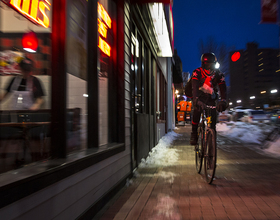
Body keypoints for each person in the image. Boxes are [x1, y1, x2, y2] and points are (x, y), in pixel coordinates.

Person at [188, 53, 227, 145]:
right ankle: (194, 134)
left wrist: (223, 101)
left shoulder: (219, 75)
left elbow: (223, 88)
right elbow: (194, 86)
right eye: (207, 65)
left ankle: (211, 139)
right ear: (203, 64)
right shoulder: (197, 72)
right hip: (199, 96)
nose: (209, 68)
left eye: (212, 65)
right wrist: (195, 99)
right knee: (197, 111)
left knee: (213, 119)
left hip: (211, 98)